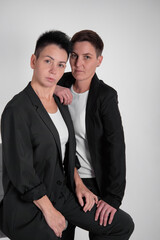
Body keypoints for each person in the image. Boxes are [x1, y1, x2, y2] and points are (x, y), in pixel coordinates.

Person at [0, 30, 134, 240]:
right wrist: (50, 211)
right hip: (40, 192)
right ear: (33, 60)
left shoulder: (81, 98)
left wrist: (93, 190)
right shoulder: (20, 108)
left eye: (61, 64)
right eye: (48, 61)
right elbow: (22, 171)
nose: (55, 70)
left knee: (121, 225)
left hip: (73, 185)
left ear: (99, 61)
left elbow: (112, 148)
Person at [55, 30, 134, 240]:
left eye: (87, 57)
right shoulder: (59, 82)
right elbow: (34, 90)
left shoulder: (105, 96)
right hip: (62, 180)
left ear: (99, 60)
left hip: (94, 183)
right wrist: (53, 89)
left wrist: (113, 198)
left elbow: (116, 146)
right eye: (74, 55)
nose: (78, 63)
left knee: (110, 231)